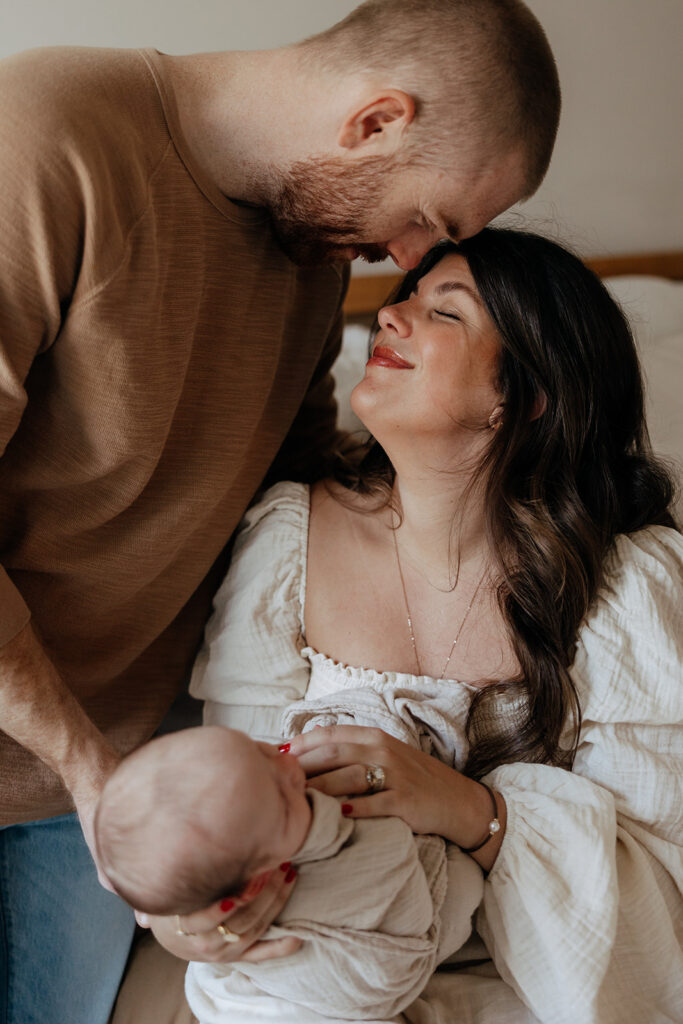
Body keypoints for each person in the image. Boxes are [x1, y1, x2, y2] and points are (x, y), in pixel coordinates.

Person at [0, 0, 561, 1020]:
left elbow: (289, 469)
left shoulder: (309, 249)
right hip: (81, 771)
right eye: (428, 221)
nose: (404, 258)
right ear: (376, 120)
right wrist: (100, 784)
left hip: (123, 776)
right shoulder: (44, 138)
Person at [137, 229, 682, 1024]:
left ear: (522, 397)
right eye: (403, 297)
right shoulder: (287, 543)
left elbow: (659, 908)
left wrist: (468, 810)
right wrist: (200, 920)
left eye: (444, 312)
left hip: (545, 989)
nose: (390, 316)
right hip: (328, 972)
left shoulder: (628, 586)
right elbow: (232, 803)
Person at [95, 724, 483, 1023]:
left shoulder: (245, 806)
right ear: (255, 883)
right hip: (371, 974)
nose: (286, 764)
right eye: (283, 801)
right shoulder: (281, 855)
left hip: (409, 918)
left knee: (463, 882)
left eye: (257, 749)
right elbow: (392, 849)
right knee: (463, 883)